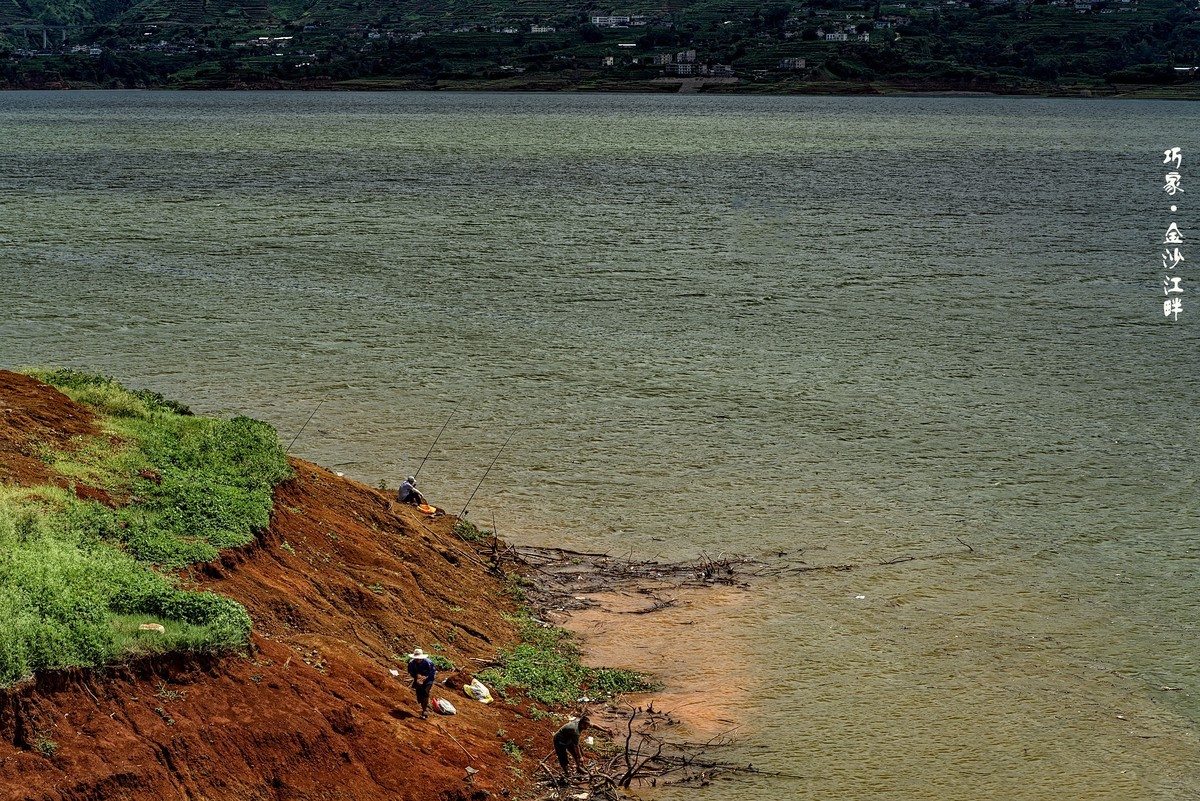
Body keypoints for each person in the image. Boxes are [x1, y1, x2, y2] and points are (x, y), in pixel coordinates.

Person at [407, 648, 436, 719]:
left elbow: (432, 672)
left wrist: (426, 677)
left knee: (426, 692)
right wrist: (417, 676)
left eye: (419, 658)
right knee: (419, 695)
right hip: (418, 679)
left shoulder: (428, 663)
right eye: (416, 658)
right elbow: (411, 672)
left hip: (428, 679)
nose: (417, 660)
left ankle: (424, 711)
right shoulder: (411, 663)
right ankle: (423, 705)